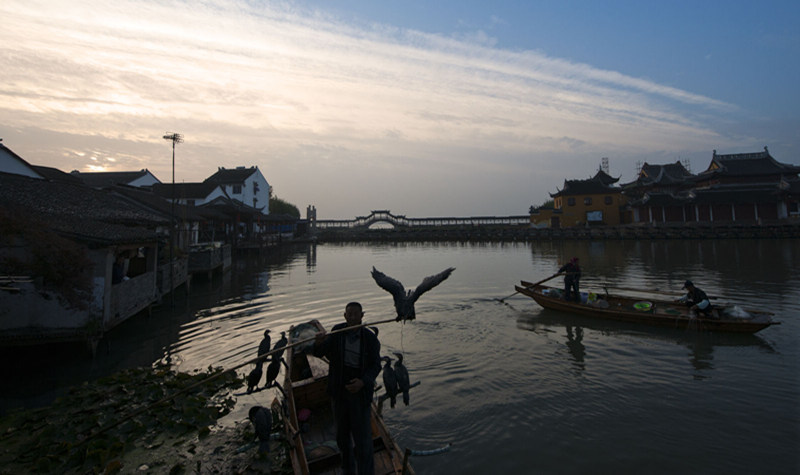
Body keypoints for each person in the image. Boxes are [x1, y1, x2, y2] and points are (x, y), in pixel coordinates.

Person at [314, 302, 381, 475]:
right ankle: (348, 470)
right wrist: (319, 342)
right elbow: (319, 353)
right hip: (339, 393)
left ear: (362, 316)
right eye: (349, 314)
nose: (352, 318)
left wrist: (363, 382)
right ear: (344, 316)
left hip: (360, 395)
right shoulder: (337, 333)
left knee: (363, 441)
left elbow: (376, 366)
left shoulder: (370, 339)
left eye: (355, 314)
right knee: (342, 438)